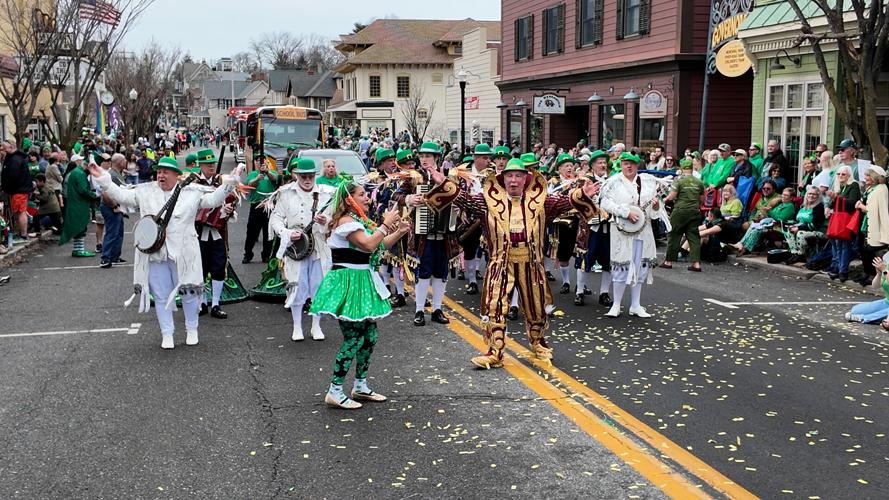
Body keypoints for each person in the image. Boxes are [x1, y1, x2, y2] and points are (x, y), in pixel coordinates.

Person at [423, 157, 599, 367]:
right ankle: (495, 351)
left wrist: (582, 195)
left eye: (518, 176)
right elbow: (465, 200)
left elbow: (564, 202)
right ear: (502, 179)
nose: (513, 181)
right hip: (501, 262)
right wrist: (443, 182)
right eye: (509, 176)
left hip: (531, 263)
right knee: (495, 305)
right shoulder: (487, 201)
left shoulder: (541, 200)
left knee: (536, 306)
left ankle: (538, 342)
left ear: (526, 179)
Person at [88, 157, 242, 349]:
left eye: (166, 172)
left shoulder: (191, 192)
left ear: (176, 175)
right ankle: (167, 334)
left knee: (190, 292)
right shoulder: (145, 191)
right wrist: (102, 178)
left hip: (184, 253)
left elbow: (213, 200)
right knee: (161, 296)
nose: (161, 175)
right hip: (155, 253)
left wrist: (231, 183)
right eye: (159, 171)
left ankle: (192, 329)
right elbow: (121, 196)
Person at [310, 181, 412, 409]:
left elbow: (379, 245)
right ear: (349, 200)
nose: (367, 198)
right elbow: (367, 245)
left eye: (366, 194)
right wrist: (385, 225)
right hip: (347, 284)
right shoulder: (346, 223)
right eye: (362, 194)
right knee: (354, 338)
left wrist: (399, 231)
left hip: (362, 282)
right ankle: (335, 390)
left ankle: (360, 386)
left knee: (369, 337)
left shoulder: (358, 222)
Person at [269, 158, 336, 341]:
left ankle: (316, 326)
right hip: (296, 248)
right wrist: (287, 233)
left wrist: (326, 222)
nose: (307, 179)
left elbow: (335, 221)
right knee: (297, 287)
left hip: (319, 247)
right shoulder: (285, 194)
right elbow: (275, 220)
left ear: (315, 175)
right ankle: (297, 327)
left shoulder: (327, 194)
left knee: (318, 287)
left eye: (310, 176)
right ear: (296, 175)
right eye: (303, 176)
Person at [599, 152, 666, 318]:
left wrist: (656, 207)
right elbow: (605, 203)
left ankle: (636, 305)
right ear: (621, 165)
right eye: (625, 163)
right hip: (622, 230)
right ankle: (616, 305)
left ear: (637, 166)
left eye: (632, 164)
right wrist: (625, 212)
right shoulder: (613, 182)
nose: (629, 166)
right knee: (621, 266)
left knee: (640, 266)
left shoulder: (648, 182)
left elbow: (655, 213)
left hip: (643, 231)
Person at [401, 142, 461, 326]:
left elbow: (460, 196)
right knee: (423, 271)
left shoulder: (450, 177)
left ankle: (437, 309)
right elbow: (396, 195)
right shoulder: (413, 177)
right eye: (422, 156)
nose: (424, 159)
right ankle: (419, 310)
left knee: (441, 272)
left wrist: (458, 208)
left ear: (437, 158)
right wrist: (409, 199)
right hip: (422, 236)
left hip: (445, 235)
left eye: (428, 156)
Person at [194, 148, 242, 318]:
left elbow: (232, 201)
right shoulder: (192, 183)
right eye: (207, 164)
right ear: (200, 164)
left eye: (213, 163)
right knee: (199, 269)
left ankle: (215, 304)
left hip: (218, 233)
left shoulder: (222, 181)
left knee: (219, 267)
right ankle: (201, 302)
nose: (211, 167)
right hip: (197, 233)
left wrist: (228, 210)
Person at [457, 143, 494, 295]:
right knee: (470, 250)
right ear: (475, 158)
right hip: (470, 218)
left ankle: (491, 281)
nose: (488, 161)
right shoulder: (463, 173)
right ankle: (472, 281)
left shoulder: (492, 175)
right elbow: (456, 195)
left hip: (489, 217)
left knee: (491, 250)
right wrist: (461, 211)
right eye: (485, 158)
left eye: (489, 158)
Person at [661, 159, 704, 271]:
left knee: (674, 234)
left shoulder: (679, 181)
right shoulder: (698, 182)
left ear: (682, 168)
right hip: (694, 211)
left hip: (680, 211)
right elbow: (702, 199)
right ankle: (696, 264)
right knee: (694, 237)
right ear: (691, 168)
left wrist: (663, 200)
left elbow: (672, 196)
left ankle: (668, 261)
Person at [548, 153, 582, 294]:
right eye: (566, 166)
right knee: (564, 253)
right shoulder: (554, 182)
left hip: (577, 220)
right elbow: (550, 199)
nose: (569, 168)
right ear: (559, 168)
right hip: (561, 222)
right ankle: (566, 281)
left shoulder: (579, 181)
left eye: (571, 165)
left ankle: (581, 284)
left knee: (581, 252)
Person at [732, 187, 797, 255]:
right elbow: (772, 216)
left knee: (757, 229)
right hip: (771, 225)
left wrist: (769, 211)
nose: (783, 196)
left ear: (791, 197)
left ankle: (745, 248)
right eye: (783, 194)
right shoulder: (780, 205)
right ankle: (741, 245)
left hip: (779, 228)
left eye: (786, 195)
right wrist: (764, 215)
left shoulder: (790, 206)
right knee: (753, 226)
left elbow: (780, 218)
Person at [854, 165, 889, 286]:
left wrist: (861, 206)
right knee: (865, 251)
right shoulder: (872, 188)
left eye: (868, 175)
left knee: (872, 252)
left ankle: (873, 275)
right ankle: (867, 273)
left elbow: (874, 210)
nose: (866, 177)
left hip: (875, 226)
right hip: (867, 225)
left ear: (875, 177)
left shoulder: (880, 189)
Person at [59, 153, 98, 257]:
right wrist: (95, 195)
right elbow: (83, 190)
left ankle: (77, 249)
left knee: (78, 226)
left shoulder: (75, 172)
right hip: (79, 204)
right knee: (81, 227)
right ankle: (79, 250)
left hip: (75, 202)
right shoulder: (79, 173)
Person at [826, 165, 861, 282]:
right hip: (839, 220)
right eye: (838, 174)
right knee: (838, 246)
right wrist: (829, 206)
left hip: (847, 220)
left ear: (849, 175)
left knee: (845, 246)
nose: (840, 176)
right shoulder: (840, 187)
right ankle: (839, 269)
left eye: (843, 174)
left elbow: (852, 203)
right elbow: (834, 203)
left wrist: (837, 198)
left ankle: (843, 271)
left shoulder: (854, 185)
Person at [243, 153, 278, 263]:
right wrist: (257, 179)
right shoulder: (253, 174)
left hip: (269, 205)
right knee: (252, 232)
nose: (260, 163)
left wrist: (267, 172)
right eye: (258, 161)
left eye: (262, 161)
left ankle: (266, 255)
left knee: (268, 231)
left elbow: (275, 180)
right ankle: (248, 254)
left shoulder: (272, 173)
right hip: (256, 205)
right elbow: (249, 185)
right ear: (255, 163)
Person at [783, 186, 826, 264]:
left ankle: (801, 255)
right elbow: (797, 220)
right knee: (789, 231)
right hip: (804, 229)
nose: (811, 196)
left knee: (800, 233)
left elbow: (815, 225)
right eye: (809, 193)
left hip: (818, 231)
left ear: (818, 196)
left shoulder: (819, 207)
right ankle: (794, 253)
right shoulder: (803, 206)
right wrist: (792, 225)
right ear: (806, 195)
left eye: (814, 194)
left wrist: (798, 228)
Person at [0, 140, 33, 242]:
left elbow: (12, 176)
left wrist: (5, 187)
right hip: (18, 189)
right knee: (18, 212)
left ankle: (23, 235)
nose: (2, 150)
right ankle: (21, 234)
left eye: (3, 148)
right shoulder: (15, 158)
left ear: (10, 148)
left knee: (20, 212)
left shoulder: (15, 159)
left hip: (19, 190)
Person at [845, 254, 889, 328]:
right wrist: (879, 273)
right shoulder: (887, 264)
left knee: (882, 315)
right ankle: (878, 319)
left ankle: (864, 318)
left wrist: (884, 270)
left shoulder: (885, 269)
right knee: (855, 310)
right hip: (887, 302)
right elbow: (875, 286)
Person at [99, 153, 127, 268]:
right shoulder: (111, 175)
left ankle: (115, 256)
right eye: (124, 160)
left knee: (119, 233)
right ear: (120, 162)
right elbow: (105, 193)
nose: (126, 162)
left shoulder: (117, 174)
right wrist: (114, 206)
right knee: (112, 233)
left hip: (116, 207)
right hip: (110, 207)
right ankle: (105, 258)